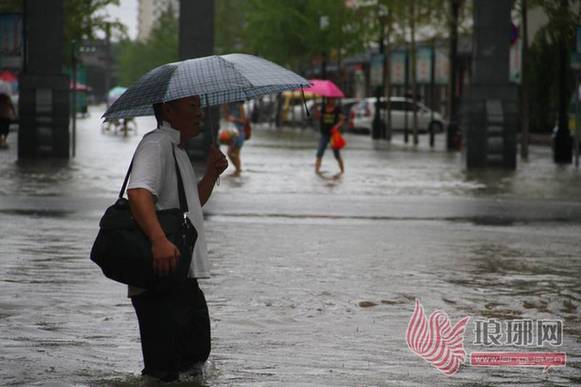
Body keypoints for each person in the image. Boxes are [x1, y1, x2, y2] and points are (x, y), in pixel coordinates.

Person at [126, 95, 228, 382]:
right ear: (169, 110)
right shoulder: (156, 143)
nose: (199, 113)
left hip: (183, 275)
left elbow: (190, 204)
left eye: (200, 107)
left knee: (194, 360)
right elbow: (138, 193)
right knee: (164, 372)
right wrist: (159, 240)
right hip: (161, 278)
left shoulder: (176, 148)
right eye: (192, 106)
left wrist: (210, 174)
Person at [315, 97, 345, 174]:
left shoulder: (337, 109)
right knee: (319, 152)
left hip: (333, 135)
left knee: (336, 154)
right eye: (330, 99)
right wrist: (317, 113)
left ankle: (342, 171)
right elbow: (318, 118)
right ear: (327, 99)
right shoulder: (323, 108)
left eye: (333, 99)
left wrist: (337, 126)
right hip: (324, 134)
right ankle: (317, 171)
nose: (331, 100)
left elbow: (342, 120)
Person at [222, 102, 247, 175]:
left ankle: (238, 171)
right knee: (230, 153)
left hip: (239, 132)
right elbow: (226, 119)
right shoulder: (228, 105)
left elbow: (243, 121)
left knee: (235, 153)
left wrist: (234, 119)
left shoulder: (240, 106)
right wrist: (225, 109)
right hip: (231, 132)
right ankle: (238, 170)